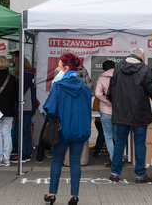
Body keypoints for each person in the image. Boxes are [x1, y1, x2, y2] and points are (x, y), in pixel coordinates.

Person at [43, 53, 91, 205]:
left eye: (59, 66)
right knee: (75, 161)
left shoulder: (58, 86)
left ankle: (52, 194)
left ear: (66, 68)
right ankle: (74, 196)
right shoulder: (85, 88)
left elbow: (49, 109)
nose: (57, 69)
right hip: (80, 130)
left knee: (57, 160)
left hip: (61, 129)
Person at [108, 48, 152, 183]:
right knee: (140, 143)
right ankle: (140, 174)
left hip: (121, 111)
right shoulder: (145, 69)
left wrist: (117, 104)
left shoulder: (118, 67)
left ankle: (115, 173)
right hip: (139, 111)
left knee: (119, 142)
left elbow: (111, 89)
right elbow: (151, 88)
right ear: (141, 56)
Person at [0, 56, 19, 167]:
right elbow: (16, 95)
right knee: (7, 134)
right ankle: (6, 159)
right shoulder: (12, 78)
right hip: (9, 110)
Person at [11, 54, 37, 163]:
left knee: (18, 131)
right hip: (29, 107)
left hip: (24, 107)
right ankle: (26, 153)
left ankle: (22, 154)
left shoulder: (24, 76)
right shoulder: (30, 75)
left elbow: (19, 92)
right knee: (26, 132)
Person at [94, 60, 115, 166]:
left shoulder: (102, 78)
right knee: (119, 136)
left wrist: (107, 101)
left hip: (106, 111)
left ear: (104, 69)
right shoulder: (120, 77)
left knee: (108, 136)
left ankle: (113, 159)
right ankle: (120, 159)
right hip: (118, 112)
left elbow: (98, 93)